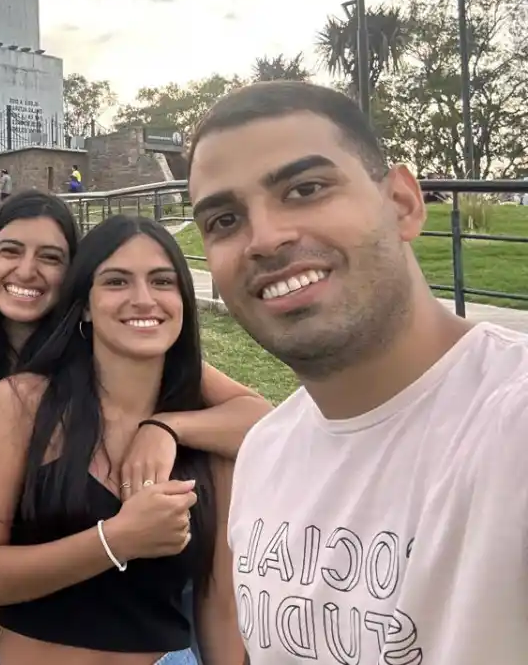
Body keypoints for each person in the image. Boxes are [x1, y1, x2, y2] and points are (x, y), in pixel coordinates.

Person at [186, 80, 528, 663]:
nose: (264, 239)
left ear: (402, 203)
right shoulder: (266, 453)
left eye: (306, 188)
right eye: (223, 220)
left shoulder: (509, 426)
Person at [0, 216, 242, 664]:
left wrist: (165, 428)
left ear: (183, 299)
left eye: (162, 281)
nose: (143, 299)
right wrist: (116, 540)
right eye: (117, 281)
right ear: (84, 305)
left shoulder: (210, 434)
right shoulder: (23, 404)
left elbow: (218, 610)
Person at [0, 190, 270, 510]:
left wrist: (165, 427)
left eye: (50, 257)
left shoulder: (105, 350)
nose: (26, 270)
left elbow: (260, 418)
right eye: (10, 251)